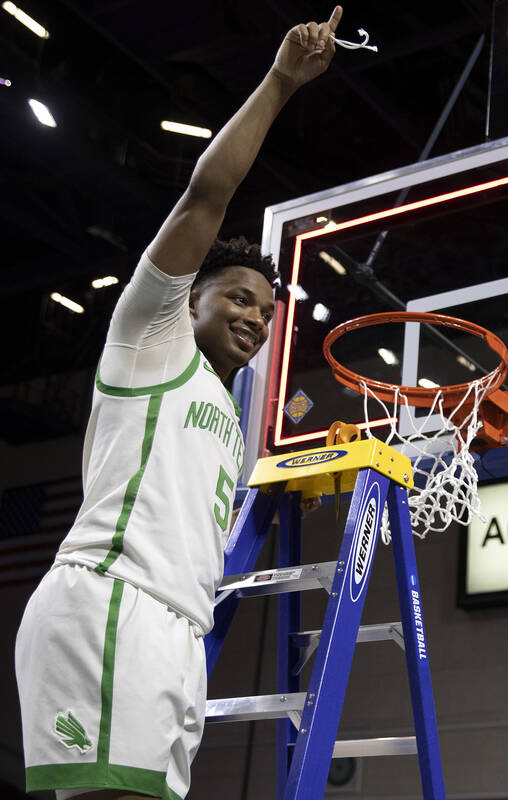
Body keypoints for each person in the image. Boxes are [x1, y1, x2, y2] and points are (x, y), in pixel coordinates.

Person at [14, 7, 344, 799]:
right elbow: (208, 191)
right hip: (111, 605)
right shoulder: (148, 335)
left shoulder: (228, 415)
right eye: (237, 298)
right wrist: (279, 83)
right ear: (189, 299)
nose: (255, 319)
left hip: (176, 636)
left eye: (266, 312)